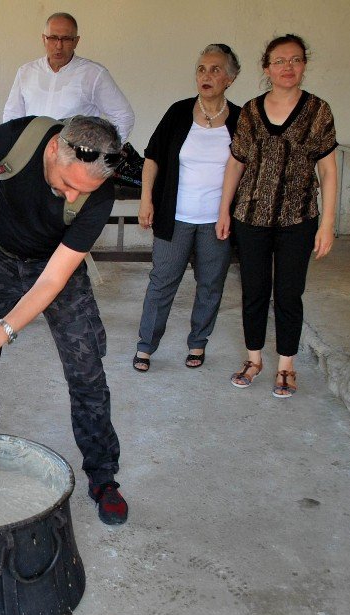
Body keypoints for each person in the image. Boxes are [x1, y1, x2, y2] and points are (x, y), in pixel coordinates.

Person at [0, 115, 129, 526]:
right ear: (54, 147)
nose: (71, 195)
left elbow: (53, 279)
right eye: (68, 182)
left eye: (81, 192)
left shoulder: (100, 189)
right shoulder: (18, 138)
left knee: (87, 369)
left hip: (55, 266)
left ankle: (103, 476)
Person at [216, 34, 337, 398]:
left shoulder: (318, 111)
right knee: (253, 290)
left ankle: (287, 364)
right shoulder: (251, 111)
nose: (289, 67)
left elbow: (328, 171)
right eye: (280, 61)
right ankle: (254, 359)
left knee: (288, 293)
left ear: (304, 65)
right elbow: (235, 163)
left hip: (298, 219)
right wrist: (224, 210)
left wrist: (328, 223)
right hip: (250, 216)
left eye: (296, 60)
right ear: (266, 68)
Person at [132, 44, 242, 372]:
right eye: (201, 69)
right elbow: (152, 157)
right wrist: (146, 199)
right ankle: (146, 345)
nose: (206, 76)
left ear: (231, 78)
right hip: (175, 217)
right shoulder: (179, 112)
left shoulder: (240, 119)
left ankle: (198, 343)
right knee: (162, 281)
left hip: (217, 220)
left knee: (211, 283)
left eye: (216, 69)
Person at [3, 12, 134, 142]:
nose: (59, 46)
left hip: (73, 159)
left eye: (66, 39)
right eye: (53, 38)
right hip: (31, 155)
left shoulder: (93, 74)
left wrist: (103, 153)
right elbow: (12, 118)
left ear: (76, 41)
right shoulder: (26, 72)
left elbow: (124, 116)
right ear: (44, 39)